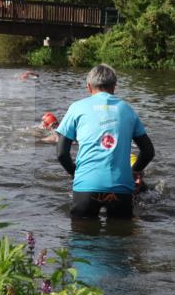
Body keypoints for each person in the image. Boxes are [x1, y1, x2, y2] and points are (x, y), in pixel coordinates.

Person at [56, 64, 155, 219]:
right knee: (119, 239)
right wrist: (133, 171)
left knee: (82, 239)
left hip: (86, 187)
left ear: (88, 87)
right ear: (114, 86)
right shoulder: (127, 109)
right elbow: (148, 151)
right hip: (121, 188)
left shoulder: (76, 108)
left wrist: (75, 173)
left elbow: (62, 153)